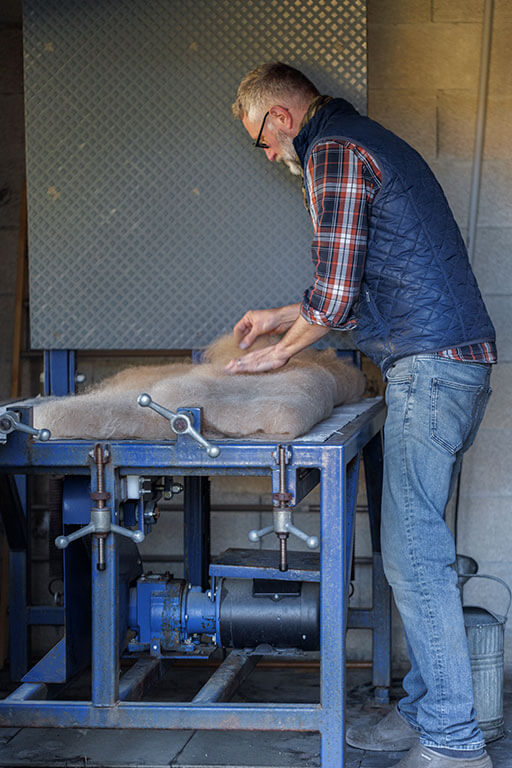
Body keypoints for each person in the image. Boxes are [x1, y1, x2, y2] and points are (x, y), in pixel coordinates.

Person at [226, 62, 497, 768]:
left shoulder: (334, 153)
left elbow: (337, 299)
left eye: (260, 139)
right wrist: (280, 315)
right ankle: (424, 712)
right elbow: (348, 282)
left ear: (279, 118)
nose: (267, 155)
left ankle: (453, 742)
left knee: (414, 558)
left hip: (430, 370)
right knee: (413, 548)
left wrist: (269, 358)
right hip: (446, 363)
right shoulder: (358, 141)